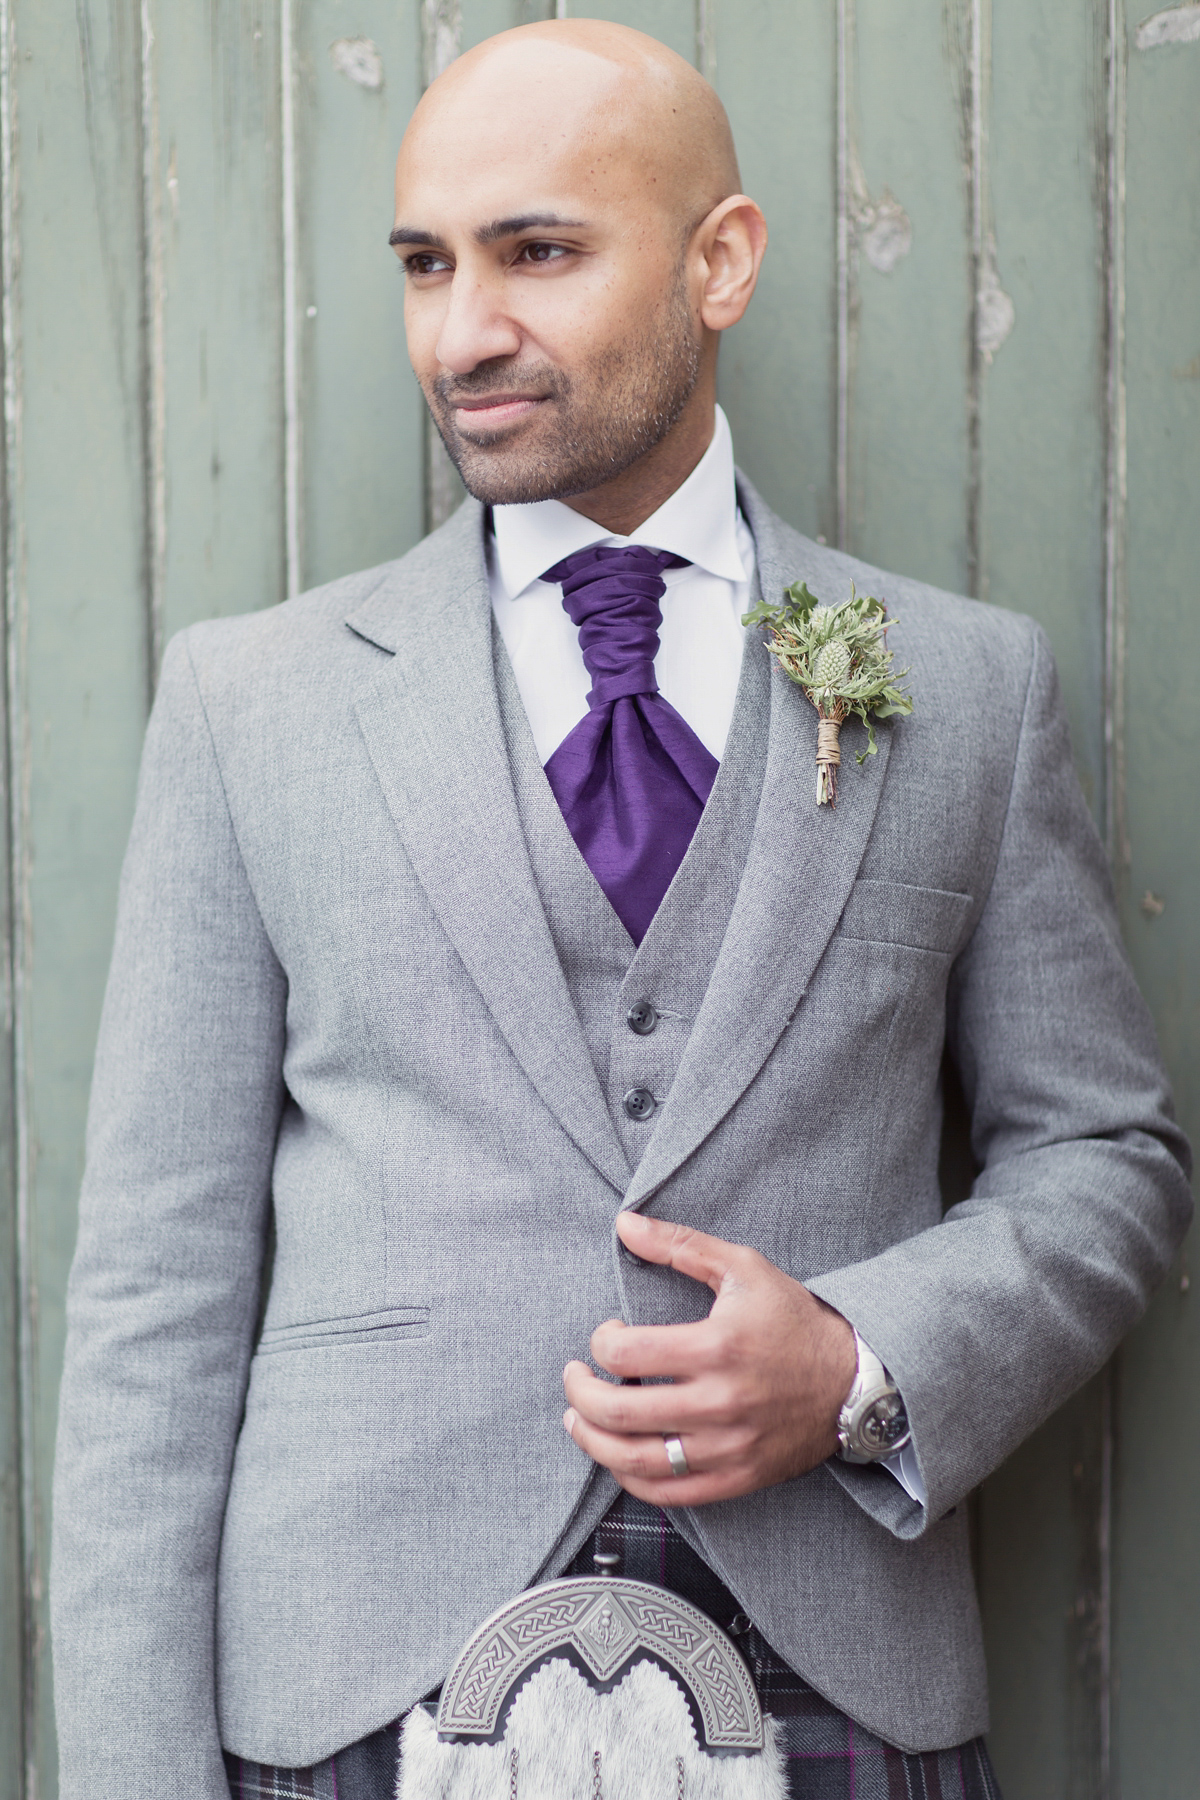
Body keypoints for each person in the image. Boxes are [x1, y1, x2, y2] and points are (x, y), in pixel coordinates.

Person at [51, 19, 1190, 1800]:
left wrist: (866, 1363)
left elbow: (1107, 1154)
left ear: (718, 261)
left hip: (844, 1670)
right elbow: (153, 1298)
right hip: (350, 1684)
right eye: (428, 264)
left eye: (539, 253)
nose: (463, 332)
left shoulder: (961, 689)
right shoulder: (249, 704)